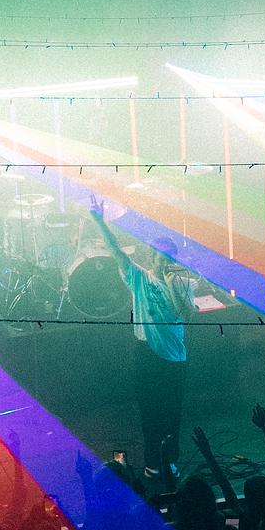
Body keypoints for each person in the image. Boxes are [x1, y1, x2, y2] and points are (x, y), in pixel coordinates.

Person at [89, 195, 195, 480]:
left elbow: (185, 315)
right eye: (161, 256)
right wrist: (99, 220)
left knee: (171, 413)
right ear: (152, 257)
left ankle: (170, 460)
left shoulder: (184, 283)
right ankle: (153, 461)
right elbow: (116, 252)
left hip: (174, 356)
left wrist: (172, 285)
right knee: (149, 411)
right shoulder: (140, 278)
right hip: (146, 353)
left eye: (170, 256)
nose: (165, 261)